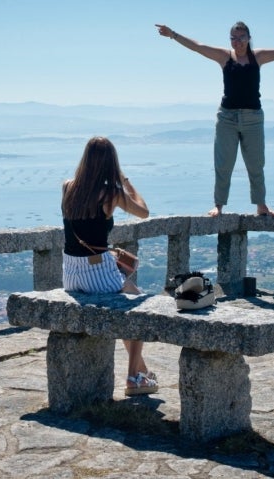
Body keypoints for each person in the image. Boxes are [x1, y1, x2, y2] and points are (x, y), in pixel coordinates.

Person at [155, 21, 274, 217]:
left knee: (256, 164)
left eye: (241, 38)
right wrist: (172, 34)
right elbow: (198, 47)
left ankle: (261, 205)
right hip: (227, 117)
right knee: (223, 163)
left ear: (249, 38)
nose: (237, 42)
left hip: (253, 118)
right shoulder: (224, 56)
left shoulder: (258, 57)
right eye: (233, 38)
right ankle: (218, 205)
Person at [61, 136, 158, 396]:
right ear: (111, 164)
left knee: (127, 299)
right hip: (97, 273)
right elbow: (144, 212)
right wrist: (125, 181)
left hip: (70, 274)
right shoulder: (112, 193)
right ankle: (133, 378)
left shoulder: (68, 187)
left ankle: (144, 373)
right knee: (139, 305)